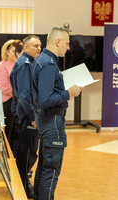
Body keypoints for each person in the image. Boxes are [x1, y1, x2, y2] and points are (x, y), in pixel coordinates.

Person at [31, 26, 83, 200]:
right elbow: (45, 100)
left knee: (44, 166)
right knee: (51, 170)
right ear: (58, 41)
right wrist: (69, 93)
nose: (68, 48)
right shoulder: (48, 64)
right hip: (52, 120)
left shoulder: (42, 60)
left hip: (45, 119)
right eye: (67, 43)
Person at [10, 35, 42, 198]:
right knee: (27, 151)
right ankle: (22, 185)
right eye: (35, 45)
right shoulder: (25, 64)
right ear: (26, 48)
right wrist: (32, 117)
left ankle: (22, 182)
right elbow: (24, 95)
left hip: (24, 111)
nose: (38, 48)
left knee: (27, 150)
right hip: (26, 113)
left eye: (40, 45)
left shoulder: (27, 62)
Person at [0, 39, 20, 145]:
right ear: (7, 51)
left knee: (18, 131)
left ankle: (15, 155)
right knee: (9, 130)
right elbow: (5, 87)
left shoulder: (19, 63)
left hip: (19, 100)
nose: (16, 53)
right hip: (8, 101)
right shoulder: (1, 66)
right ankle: (8, 154)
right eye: (14, 50)